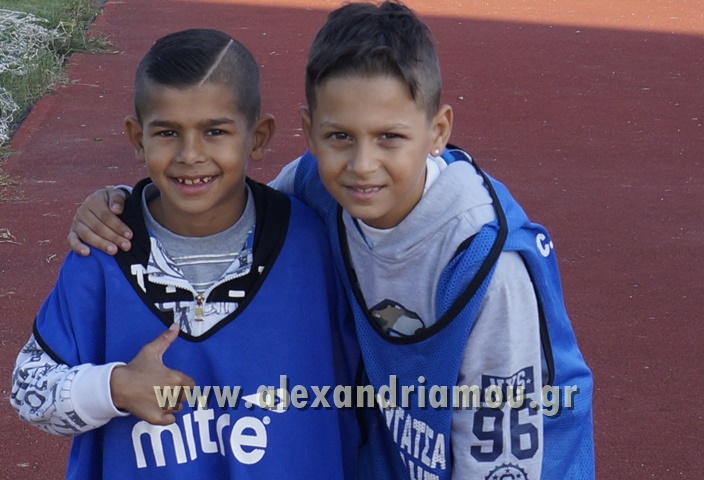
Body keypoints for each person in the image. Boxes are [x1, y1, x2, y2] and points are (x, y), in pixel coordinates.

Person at [66, 2, 595, 479]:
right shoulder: (314, 186)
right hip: (396, 445)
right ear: (310, 131)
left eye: (389, 137)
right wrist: (123, 204)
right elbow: (224, 206)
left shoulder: (486, 266)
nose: (362, 165)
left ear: (438, 131)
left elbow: (501, 455)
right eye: (340, 136)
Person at [11, 28, 360, 479]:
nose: (190, 154)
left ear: (258, 137)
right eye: (167, 132)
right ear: (137, 138)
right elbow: (29, 389)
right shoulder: (103, 250)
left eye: (215, 131)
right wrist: (114, 388)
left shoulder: (311, 242)